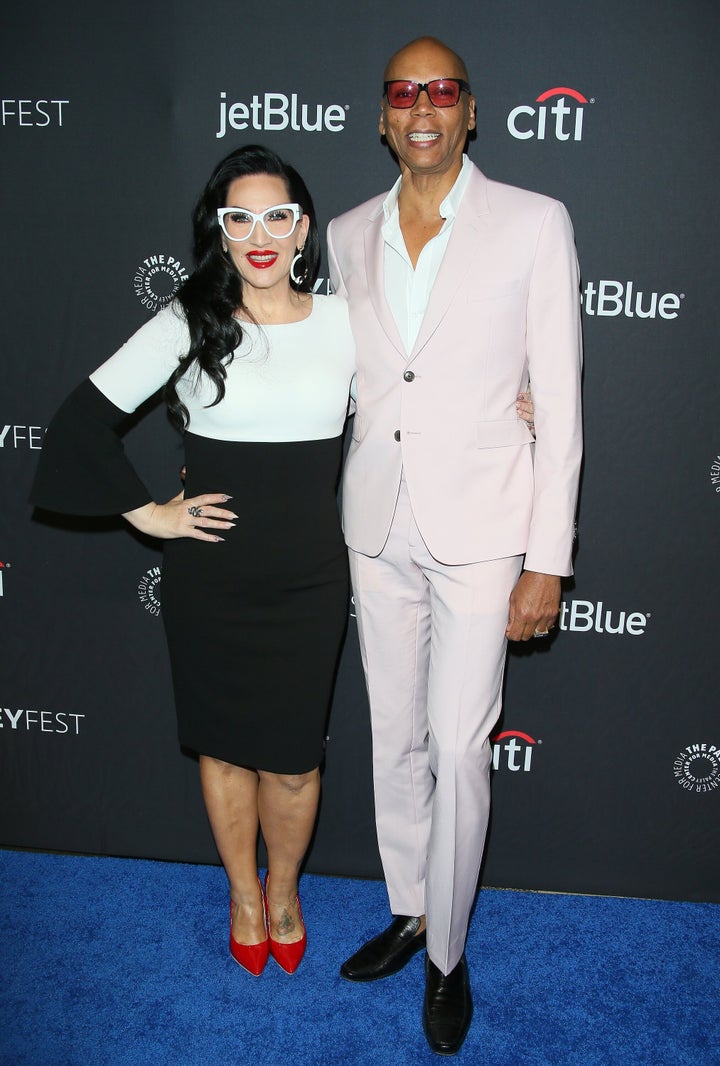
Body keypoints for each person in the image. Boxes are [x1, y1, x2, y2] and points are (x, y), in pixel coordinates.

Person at [30, 144, 357, 977]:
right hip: (211, 579)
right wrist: (150, 515)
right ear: (219, 230)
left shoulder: (349, 322)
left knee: (291, 760)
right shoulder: (189, 320)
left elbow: (429, 400)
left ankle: (284, 893)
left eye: (276, 216)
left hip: (311, 576)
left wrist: (516, 399)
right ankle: (243, 898)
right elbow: (78, 424)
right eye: (238, 217)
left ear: (302, 229)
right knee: (221, 751)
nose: (259, 234)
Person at [327, 36, 583, 1054]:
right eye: (403, 91)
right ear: (384, 116)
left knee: (460, 749)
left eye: (441, 90)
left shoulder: (533, 222)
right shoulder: (345, 233)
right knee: (393, 732)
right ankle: (409, 907)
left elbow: (559, 399)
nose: (422, 106)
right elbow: (336, 371)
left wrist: (548, 555)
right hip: (375, 516)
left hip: (485, 526)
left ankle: (448, 954)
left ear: (470, 112)